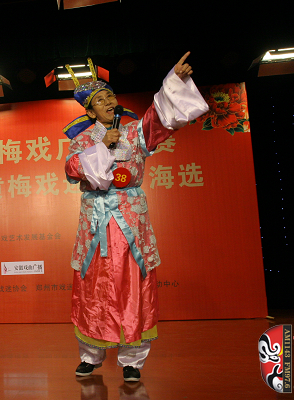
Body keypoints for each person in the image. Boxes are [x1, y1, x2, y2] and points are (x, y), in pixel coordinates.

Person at [64, 52, 209, 381]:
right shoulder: (82, 140)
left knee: (135, 287)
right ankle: (91, 355)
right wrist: (101, 146)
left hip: (131, 220)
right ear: (89, 111)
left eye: (110, 97)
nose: (108, 102)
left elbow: (160, 119)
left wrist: (174, 81)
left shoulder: (134, 133)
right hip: (97, 224)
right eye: (100, 100)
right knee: (94, 288)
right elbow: (72, 170)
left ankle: (132, 360)